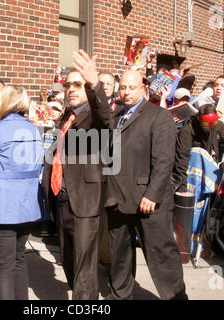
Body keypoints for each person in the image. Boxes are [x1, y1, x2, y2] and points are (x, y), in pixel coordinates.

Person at [74, 52, 187, 300]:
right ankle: (120, 295)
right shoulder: (116, 115)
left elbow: (164, 160)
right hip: (118, 199)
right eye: (122, 87)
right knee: (120, 256)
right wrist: (93, 84)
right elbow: (102, 114)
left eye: (131, 87)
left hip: (149, 202)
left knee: (161, 255)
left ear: (143, 88)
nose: (126, 92)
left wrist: (152, 194)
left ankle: (176, 297)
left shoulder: (159, 116)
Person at [42, 62, 110, 299]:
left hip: (84, 201)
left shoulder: (93, 117)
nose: (71, 89)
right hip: (61, 199)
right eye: (68, 84)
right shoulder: (67, 116)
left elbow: (106, 119)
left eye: (78, 84)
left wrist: (95, 85)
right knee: (69, 262)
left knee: (84, 272)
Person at [0, 85, 44, 300]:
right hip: (29, 204)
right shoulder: (34, 129)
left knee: (4, 265)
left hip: (4, 205)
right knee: (19, 259)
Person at [173, 104, 224, 193]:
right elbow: (182, 159)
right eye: (206, 124)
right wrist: (182, 186)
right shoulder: (187, 131)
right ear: (199, 119)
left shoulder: (219, 126)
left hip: (213, 175)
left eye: (213, 124)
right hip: (192, 175)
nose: (209, 127)